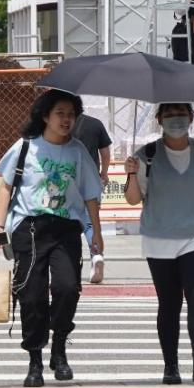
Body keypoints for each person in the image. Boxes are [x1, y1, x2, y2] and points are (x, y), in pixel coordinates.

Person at [0, 89, 104, 388]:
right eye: (60, 114)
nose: (66, 120)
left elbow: (91, 195)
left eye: (71, 115)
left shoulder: (78, 151)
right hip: (29, 228)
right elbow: (5, 186)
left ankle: (60, 348)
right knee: (32, 294)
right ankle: (35, 360)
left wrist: (97, 237)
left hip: (66, 228)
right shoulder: (25, 147)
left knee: (67, 288)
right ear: (45, 116)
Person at [123, 103, 194, 385]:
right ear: (159, 119)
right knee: (169, 303)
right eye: (169, 113)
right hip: (158, 240)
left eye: (181, 112)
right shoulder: (146, 156)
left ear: (191, 117)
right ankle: (170, 366)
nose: (176, 118)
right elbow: (132, 199)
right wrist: (129, 173)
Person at [74, 102, 112, 284]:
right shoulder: (96, 124)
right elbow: (105, 152)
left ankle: (70, 264)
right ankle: (96, 255)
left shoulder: (60, 126)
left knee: (69, 224)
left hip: (67, 180)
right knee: (90, 223)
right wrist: (104, 172)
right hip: (91, 180)